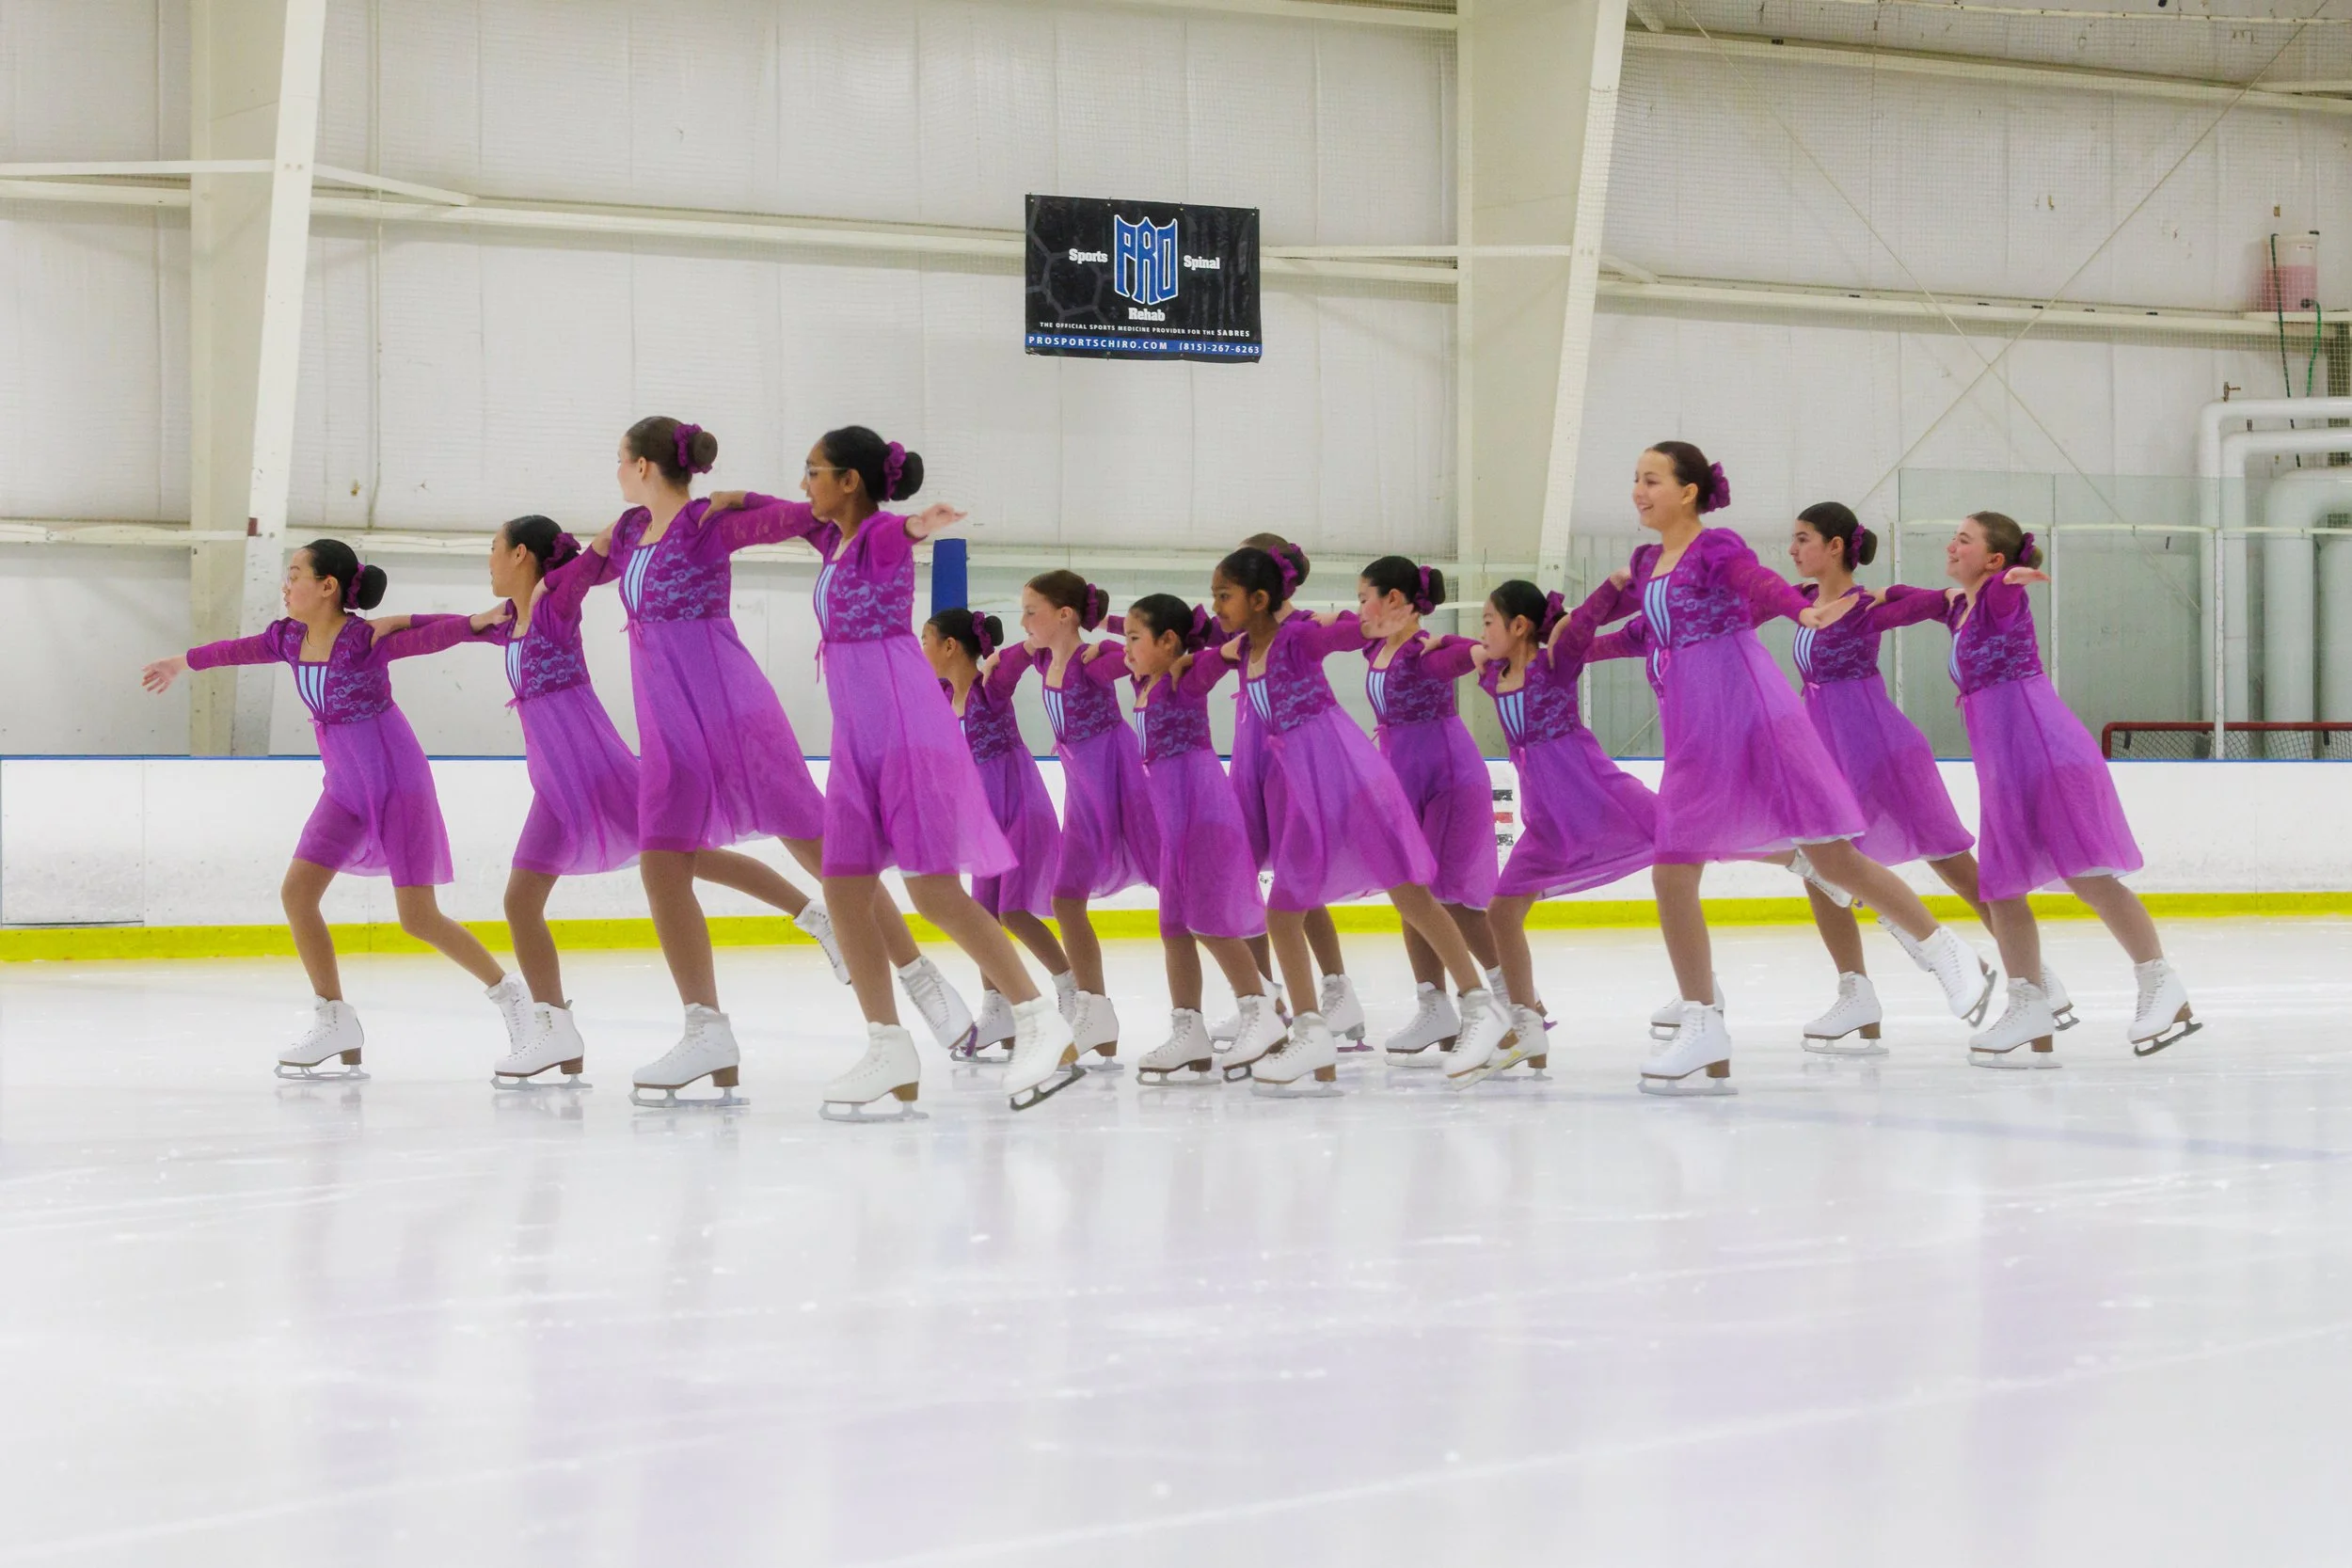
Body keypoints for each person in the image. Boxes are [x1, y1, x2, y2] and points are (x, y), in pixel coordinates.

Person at [578, 418, 965, 1107]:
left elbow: (807, 515)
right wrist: (582, 552)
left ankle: (916, 972)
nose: (616, 471)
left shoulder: (706, 525)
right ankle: (707, 1030)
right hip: (667, 724)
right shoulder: (633, 530)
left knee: (828, 855)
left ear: (641, 465)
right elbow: (584, 569)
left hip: (732, 712)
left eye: (618, 459)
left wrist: (896, 526)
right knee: (661, 866)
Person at [1593, 441, 1999, 1096]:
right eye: (1635, 479)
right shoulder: (1647, 563)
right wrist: (1562, 642)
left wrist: (1798, 609)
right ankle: (1703, 1020)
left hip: (1750, 713)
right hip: (1693, 729)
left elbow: (1760, 584)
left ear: (1689, 491)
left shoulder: (1716, 548)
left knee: (1833, 857)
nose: (1638, 490)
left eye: (1651, 479)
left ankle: (1942, 947)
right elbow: (1627, 628)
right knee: (1673, 872)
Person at [700, 427, 1077, 1116]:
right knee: (843, 886)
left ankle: (1037, 1015)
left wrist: (918, 523)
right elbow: (786, 511)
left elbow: (897, 531)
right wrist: (737, 496)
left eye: (813, 470)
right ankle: (888, 1045)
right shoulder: (829, 539)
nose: (804, 482)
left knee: (932, 890)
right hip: (857, 739)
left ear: (849, 481)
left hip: (904, 730)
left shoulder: (874, 535)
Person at [418, 515, 856, 1086]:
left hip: (597, 771)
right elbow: (428, 633)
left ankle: (815, 916)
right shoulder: (506, 624)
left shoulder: (552, 609)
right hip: (554, 784)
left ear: (522, 555)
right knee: (522, 900)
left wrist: (619, 530)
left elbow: (586, 572)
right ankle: (557, 1032)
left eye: (494, 549)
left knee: (690, 860)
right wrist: (385, 627)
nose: (490, 561)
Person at [139, 540, 526, 1078]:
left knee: (418, 917)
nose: (285, 583)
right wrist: (181, 662)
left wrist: (474, 622)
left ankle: (514, 1000)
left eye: (294, 573)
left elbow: (425, 633)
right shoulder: (288, 638)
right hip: (343, 786)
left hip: (396, 783)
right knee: (298, 893)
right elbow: (237, 650)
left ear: (327, 586)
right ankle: (334, 1018)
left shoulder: (362, 640)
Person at [1871, 511, 2197, 1062]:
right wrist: (1871, 594)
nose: (1952, 544)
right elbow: (1912, 596)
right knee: (2000, 886)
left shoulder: (2000, 596)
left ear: (1995, 560)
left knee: (2087, 874)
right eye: (1955, 536)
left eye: (1965, 540)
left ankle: (2162, 985)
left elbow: (2005, 591)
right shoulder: (1956, 607)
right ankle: (2029, 1005)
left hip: (2045, 751)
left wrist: (2014, 579)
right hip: (2004, 764)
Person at [1772, 501, 2074, 1054]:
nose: (1793, 550)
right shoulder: (1800, 604)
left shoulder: (1863, 607)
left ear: (1836, 546)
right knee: (1820, 864)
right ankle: (1855, 991)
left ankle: (2036, 979)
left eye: (1803, 538)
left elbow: (1945, 600)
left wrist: (1973, 589)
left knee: (1953, 866)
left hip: (1877, 747)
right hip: (1824, 747)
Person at [1212, 544, 1510, 1090]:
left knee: (1410, 892)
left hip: (1342, 778)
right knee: (1283, 909)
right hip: (1302, 789)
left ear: (1258, 598)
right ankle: (1311, 1033)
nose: (1216, 605)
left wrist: (1364, 624)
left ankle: (1477, 1003)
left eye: (1224, 595)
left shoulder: (1297, 637)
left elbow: (1343, 634)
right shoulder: (1244, 648)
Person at [1465, 580, 1661, 1076]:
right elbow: (1456, 652)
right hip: (1547, 817)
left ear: (1520, 626)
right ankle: (1526, 1026)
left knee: (1691, 834)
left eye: (1489, 620)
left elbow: (1583, 623)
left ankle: (1793, 856)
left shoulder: (1556, 664)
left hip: (1597, 792)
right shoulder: (1492, 674)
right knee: (1502, 913)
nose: (1481, 629)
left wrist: (1615, 585)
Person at [1119, 595, 1287, 1084]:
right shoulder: (1141, 678)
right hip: (1172, 824)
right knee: (1174, 927)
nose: (1124, 647)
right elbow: (1126, 641)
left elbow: (1231, 653)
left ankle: (1262, 1014)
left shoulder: (1184, 679)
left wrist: (1217, 654)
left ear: (1168, 641)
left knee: (1210, 923)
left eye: (1134, 638)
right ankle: (1188, 1030)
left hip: (1204, 816)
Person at [1347, 557, 1507, 1062]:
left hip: (1446, 777)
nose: (1359, 608)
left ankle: (1512, 999)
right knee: (1409, 893)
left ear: (1394, 599)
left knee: (1452, 899)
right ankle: (1434, 1005)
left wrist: (1466, 646)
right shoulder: (1376, 645)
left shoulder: (1424, 652)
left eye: (1363, 597)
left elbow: (1464, 655)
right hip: (1399, 777)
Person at [1003, 571, 1162, 1070]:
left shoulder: (1092, 663)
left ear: (1065, 615)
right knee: (1065, 898)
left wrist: (1116, 639)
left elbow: (1143, 656)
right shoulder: (1043, 657)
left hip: (1119, 785)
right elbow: (1004, 660)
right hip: (1083, 789)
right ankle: (1095, 1015)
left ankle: (1263, 994)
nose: (1023, 620)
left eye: (1032, 611)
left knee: (1180, 889)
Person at [921, 606, 1073, 1058]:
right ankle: (997, 1009)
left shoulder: (991, 691)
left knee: (1013, 912)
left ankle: (1071, 988)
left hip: (1022, 812)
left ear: (951, 646)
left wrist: (1016, 648)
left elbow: (1024, 655)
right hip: (981, 825)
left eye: (926, 639)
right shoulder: (941, 695)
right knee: (981, 919)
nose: (921, 648)